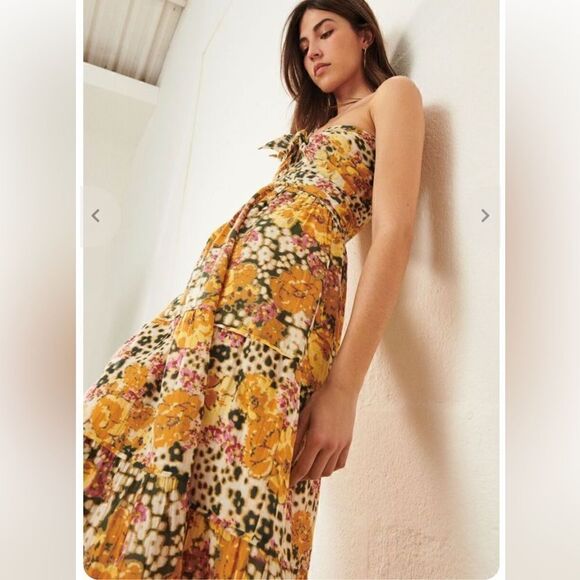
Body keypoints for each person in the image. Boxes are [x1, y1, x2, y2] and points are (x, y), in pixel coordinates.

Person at [82, 0, 425, 578]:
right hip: (220, 293)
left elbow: (394, 233)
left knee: (242, 469)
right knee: (132, 415)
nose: (312, 52)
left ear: (365, 35)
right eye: (303, 46)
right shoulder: (314, 128)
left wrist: (344, 389)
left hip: (285, 311)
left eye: (325, 33)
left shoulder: (392, 97)